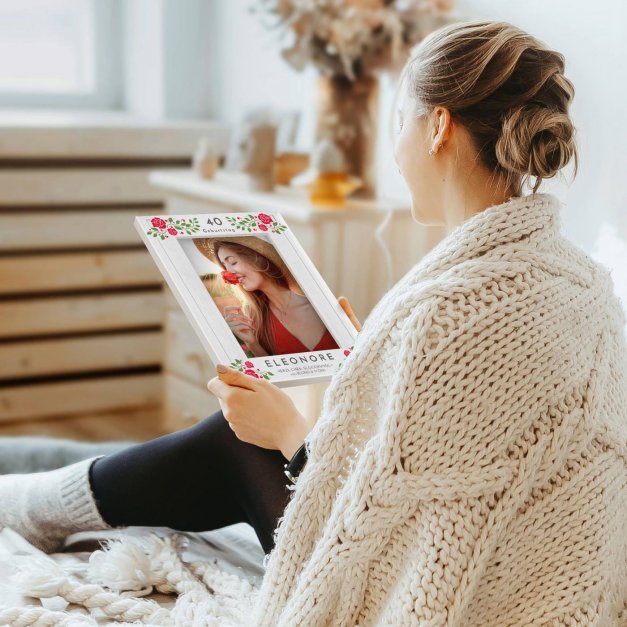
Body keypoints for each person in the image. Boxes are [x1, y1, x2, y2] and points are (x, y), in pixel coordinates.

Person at [1, 19, 626, 626]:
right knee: (237, 437)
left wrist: (290, 435)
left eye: (400, 124)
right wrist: (365, 369)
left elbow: (394, 535)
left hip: (460, 599)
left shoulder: (445, 311)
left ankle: (30, 505)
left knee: (236, 440)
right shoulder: (588, 286)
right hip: (553, 583)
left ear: (437, 126)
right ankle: (38, 501)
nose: (397, 153)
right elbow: (455, 453)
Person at [193, 236, 340, 356]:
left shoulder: (321, 304)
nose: (229, 272)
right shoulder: (254, 316)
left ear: (258, 258)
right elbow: (273, 375)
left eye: (233, 262)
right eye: (225, 267)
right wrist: (252, 343)